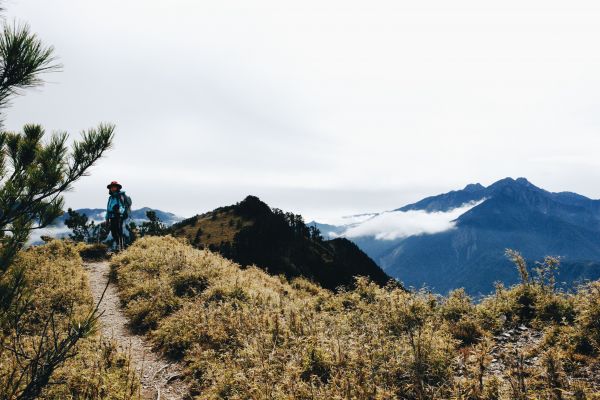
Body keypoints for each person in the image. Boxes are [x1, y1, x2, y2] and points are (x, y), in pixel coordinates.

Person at [105, 181, 128, 251]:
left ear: (117, 188)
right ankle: (119, 245)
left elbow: (122, 206)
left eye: (114, 187)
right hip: (112, 217)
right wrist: (107, 218)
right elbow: (108, 209)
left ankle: (121, 248)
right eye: (111, 187)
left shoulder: (120, 196)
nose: (113, 188)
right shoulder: (110, 198)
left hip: (118, 216)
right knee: (113, 232)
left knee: (119, 231)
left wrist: (119, 212)